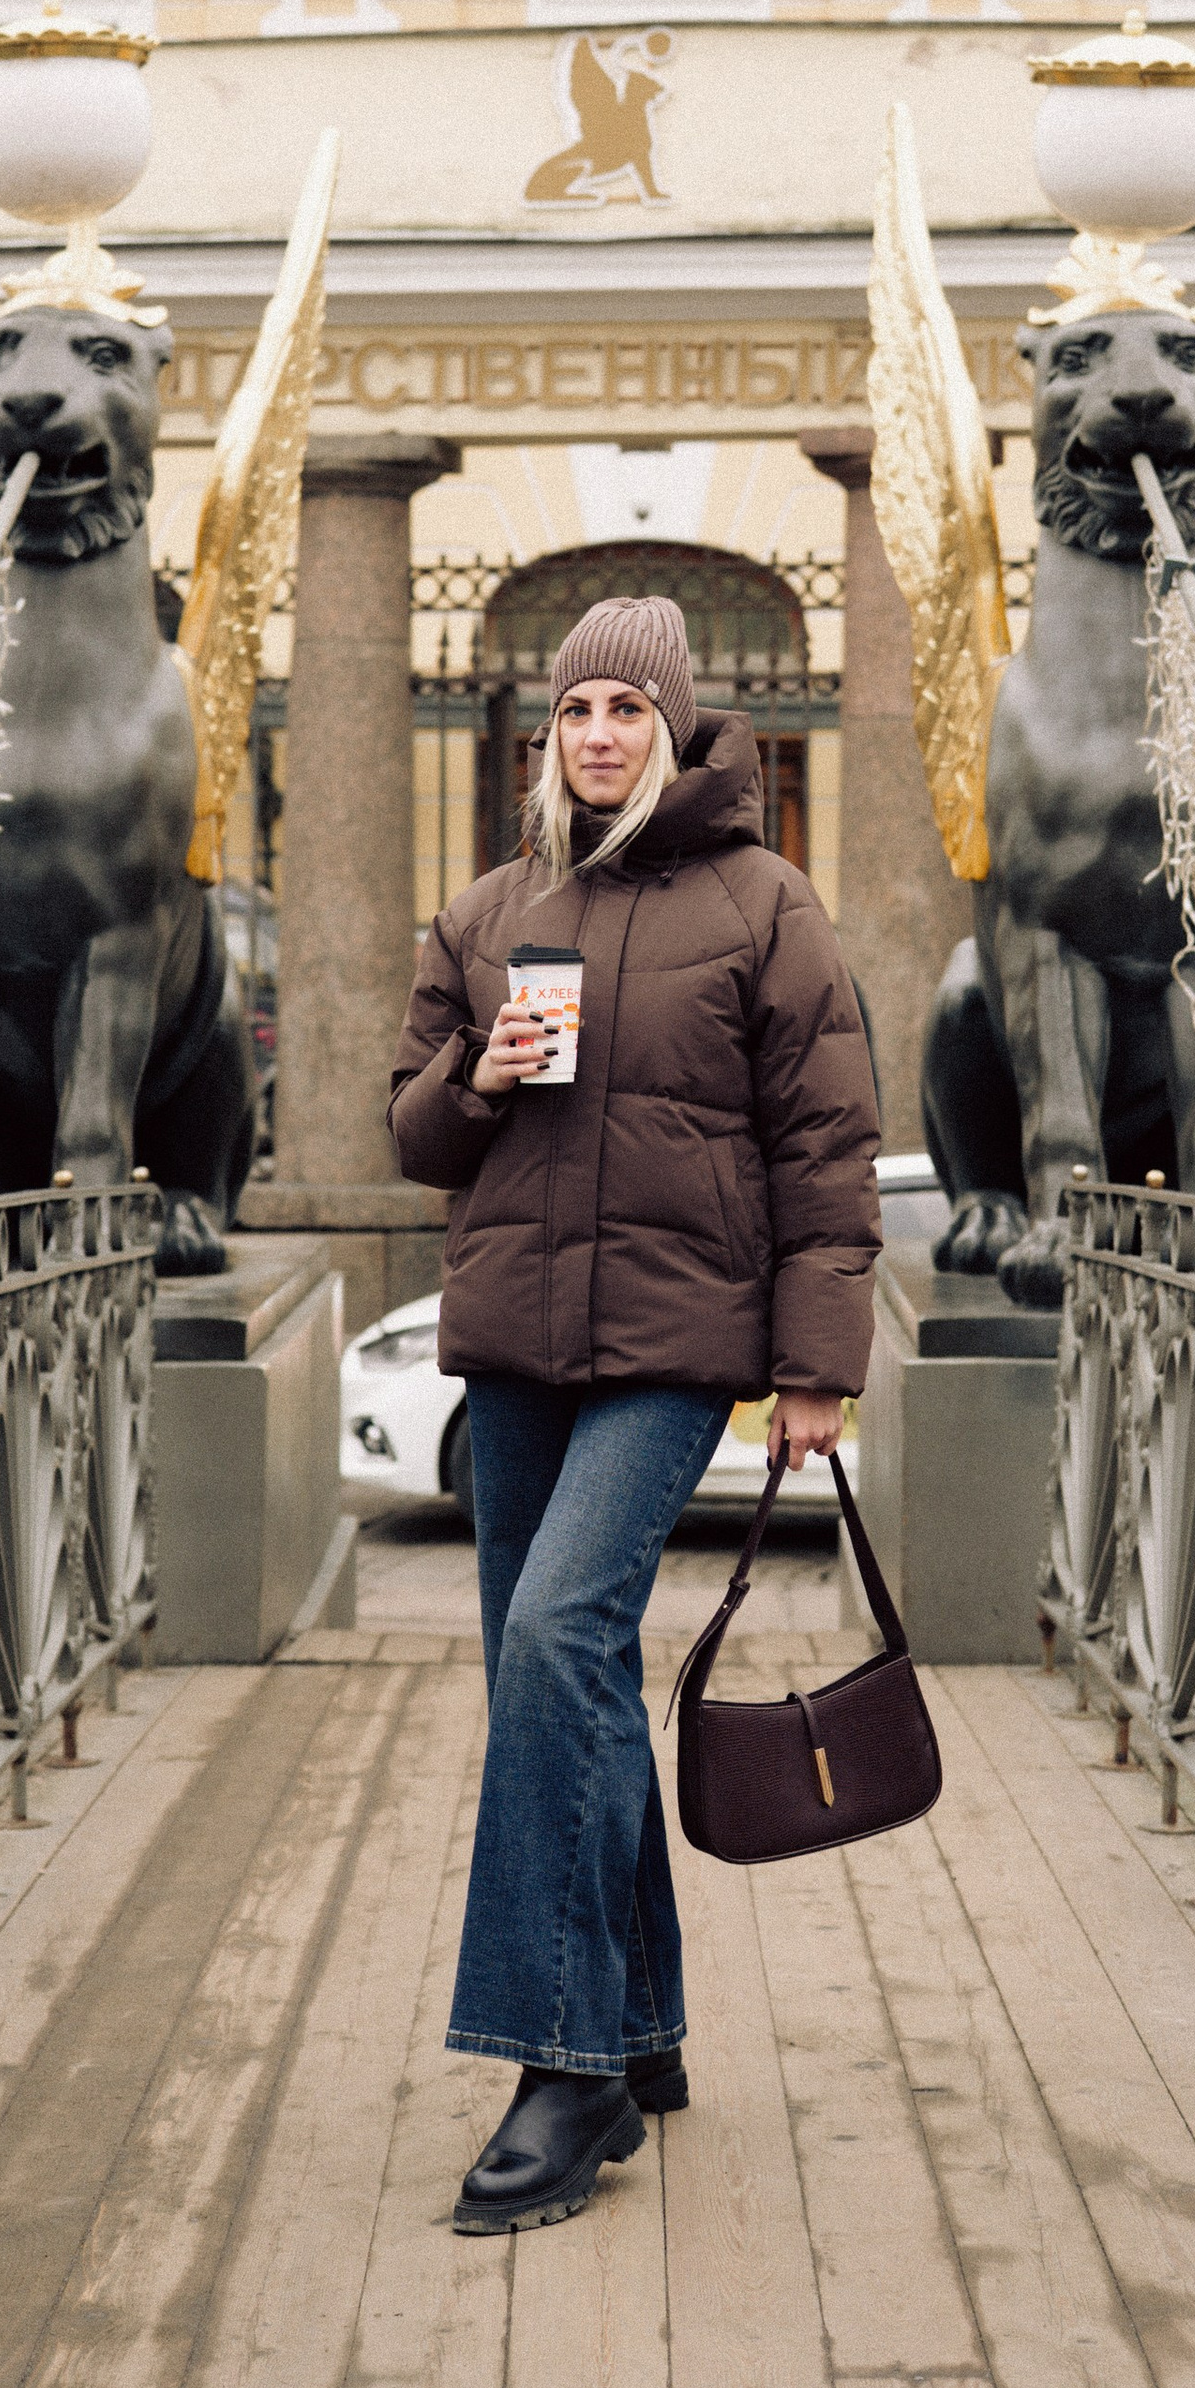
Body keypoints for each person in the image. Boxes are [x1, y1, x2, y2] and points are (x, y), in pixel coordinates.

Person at [389, 592, 881, 2237]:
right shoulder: (486, 910)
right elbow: (412, 1137)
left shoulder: (764, 903)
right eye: (576, 708)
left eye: (628, 709)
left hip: (677, 1343)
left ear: (675, 727)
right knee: (566, 1667)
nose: (599, 733)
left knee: (552, 1644)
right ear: (551, 736)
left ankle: (562, 2061)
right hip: (517, 1339)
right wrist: (480, 1080)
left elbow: (825, 1143)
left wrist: (815, 1363)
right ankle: (644, 2023)